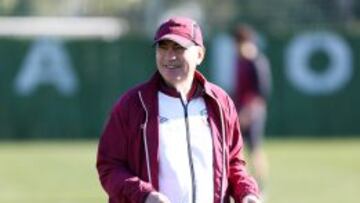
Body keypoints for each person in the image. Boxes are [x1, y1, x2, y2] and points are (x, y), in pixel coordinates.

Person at [96, 16, 261, 203]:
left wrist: (246, 193)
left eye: (178, 48)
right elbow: (110, 167)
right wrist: (144, 195)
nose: (169, 56)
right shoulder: (132, 104)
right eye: (163, 47)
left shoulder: (220, 102)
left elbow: (233, 163)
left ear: (200, 54)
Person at [231, 25, 271, 193]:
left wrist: (248, 112)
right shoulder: (239, 61)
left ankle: (261, 187)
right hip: (240, 110)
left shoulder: (257, 62)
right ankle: (245, 186)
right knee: (239, 151)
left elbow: (262, 91)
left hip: (253, 111)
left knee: (255, 148)